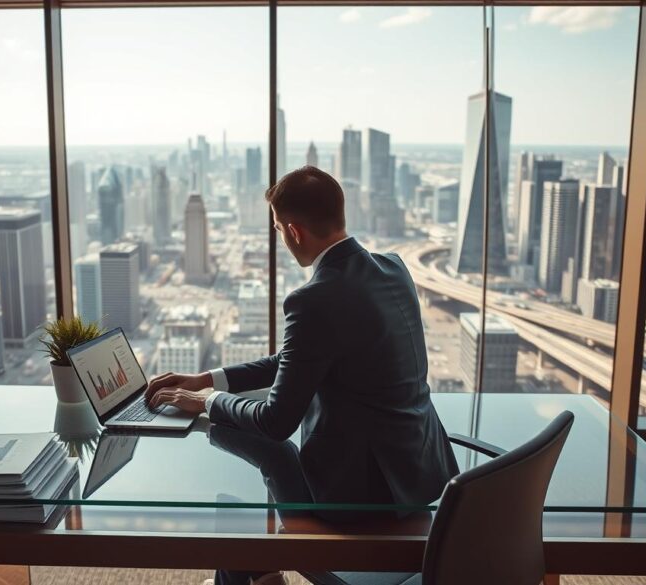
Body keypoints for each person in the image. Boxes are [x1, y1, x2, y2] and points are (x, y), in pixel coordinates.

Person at [146, 166, 459, 585]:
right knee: (261, 477)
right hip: (418, 479)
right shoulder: (393, 269)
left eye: (277, 228)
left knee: (255, 481)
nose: (281, 237)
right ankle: (259, 577)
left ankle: (251, 575)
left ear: (293, 231)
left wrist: (206, 403)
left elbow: (277, 422)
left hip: (360, 506)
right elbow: (297, 359)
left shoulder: (313, 299)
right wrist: (207, 379)